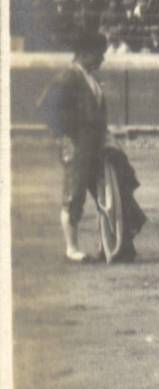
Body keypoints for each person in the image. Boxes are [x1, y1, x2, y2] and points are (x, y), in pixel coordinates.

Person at [41, 32, 110, 262]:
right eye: (99, 54)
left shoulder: (88, 77)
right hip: (77, 145)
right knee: (74, 194)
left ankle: (106, 244)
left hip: (93, 145)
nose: (102, 59)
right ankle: (72, 248)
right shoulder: (68, 76)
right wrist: (64, 134)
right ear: (85, 53)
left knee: (104, 193)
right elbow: (46, 106)